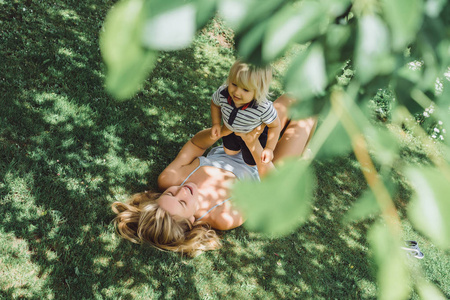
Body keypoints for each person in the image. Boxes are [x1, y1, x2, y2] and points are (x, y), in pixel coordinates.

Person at [111, 95, 316, 257]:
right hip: (267, 171)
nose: (181, 191)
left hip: (236, 147)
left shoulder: (170, 178)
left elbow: (195, 145)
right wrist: (254, 145)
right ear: (191, 221)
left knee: (291, 99)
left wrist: (218, 132)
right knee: (308, 113)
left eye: (170, 194)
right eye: (182, 202)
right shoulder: (223, 215)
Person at [210, 60, 281, 166]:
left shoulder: (262, 107)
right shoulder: (223, 94)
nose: (237, 92)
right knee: (230, 152)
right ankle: (238, 146)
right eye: (234, 84)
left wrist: (269, 148)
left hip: (253, 135)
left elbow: (275, 126)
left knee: (251, 163)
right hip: (231, 130)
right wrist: (216, 123)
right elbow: (214, 103)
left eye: (245, 89)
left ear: (258, 91)